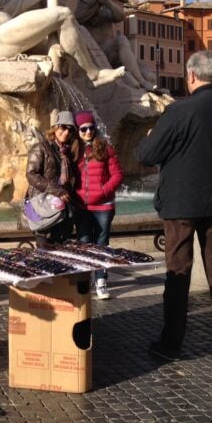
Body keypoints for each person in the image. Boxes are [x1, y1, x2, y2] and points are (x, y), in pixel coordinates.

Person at [136, 50, 212, 360]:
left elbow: (146, 155)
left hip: (182, 202)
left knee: (178, 272)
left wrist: (152, 137)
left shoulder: (179, 110)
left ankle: (171, 343)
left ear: (192, 76)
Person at [73, 110, 124, 300]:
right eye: (83, 129)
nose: (88, 132)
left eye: (91, 128)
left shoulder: (105, 148)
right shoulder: (74, 151)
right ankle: (84, 281)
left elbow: (118, 175)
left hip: (103, 206)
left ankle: (101, 281)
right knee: (84, 243)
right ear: (77, 130)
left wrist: (103, 191)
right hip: (82, 207)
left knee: (101, 244)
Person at [75, 0, 159, 92]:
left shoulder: (104, 9)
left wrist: (107, 2)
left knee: (146, 71)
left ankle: (149, 84)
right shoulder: (84, 4)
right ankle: (142, 82)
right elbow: (78, 18)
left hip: (114, 52)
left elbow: (121, 17)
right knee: (121, 40)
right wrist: (97, 2)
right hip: (98, 53)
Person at [24, 111, 79, 247]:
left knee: (60, 250)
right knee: (44, 249)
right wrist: (57, 190)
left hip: (62, 208)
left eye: (70, 129)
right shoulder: (40, 148)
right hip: (44, 205)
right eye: (63, 127)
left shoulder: (68, 152)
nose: (66, 132)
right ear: (55, 128)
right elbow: (31, 174)